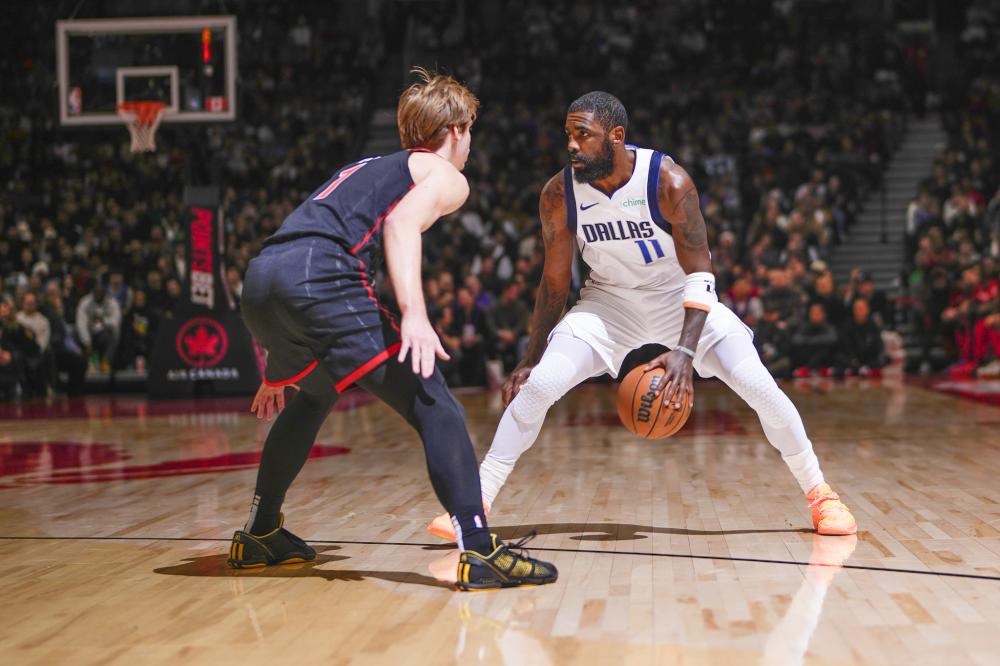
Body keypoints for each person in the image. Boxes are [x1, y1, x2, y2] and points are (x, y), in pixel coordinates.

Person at [427, 92, 856, 541]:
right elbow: (554, 283)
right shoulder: (559, 193)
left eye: (582, 135)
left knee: (760, 387)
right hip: (609, 306)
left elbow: (701, 275)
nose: (571, 144)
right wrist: (532, 356)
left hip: (680, 302)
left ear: (616, 136)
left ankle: (820, 494)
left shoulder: (669, 181)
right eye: (568, 134)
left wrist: (685, 351)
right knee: (539, 387)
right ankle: (475, 504)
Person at [228, 68, 556, 591]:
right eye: (471, 131)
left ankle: (260, 532)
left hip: (261, 279)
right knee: (434, 402)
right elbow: (401, 225)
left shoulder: (365, 166)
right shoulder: (444, 174)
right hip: (319, 277)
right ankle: (479, 549)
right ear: (456, 130)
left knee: (313, 395)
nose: (471, 144)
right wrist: (415, 314)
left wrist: (279, 362)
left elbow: (302, 242)